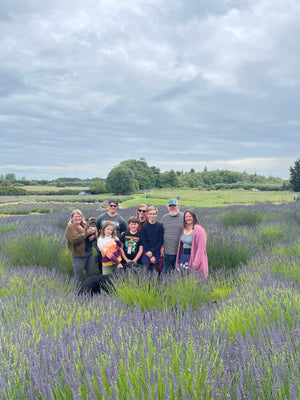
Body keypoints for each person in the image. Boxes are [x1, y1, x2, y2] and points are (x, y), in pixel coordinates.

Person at [96, 199, 127, 273]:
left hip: (116, 250)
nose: (112, 207)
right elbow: (96, 229)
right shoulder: (101, 217)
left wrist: (118, 241)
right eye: (111, 205)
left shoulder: (121, 219)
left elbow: (124, 231)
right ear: (108, 206)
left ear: (117, 207)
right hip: (105, 250)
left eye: (114, 206)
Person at [175, 209, 208, 278]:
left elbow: (201, 248)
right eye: (186, 217)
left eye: (190, 216)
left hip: (192, 257)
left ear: (193, 217)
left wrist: (196, 263)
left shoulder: (199, 230)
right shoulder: (184, 229)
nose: (188, 218)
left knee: (193, 279)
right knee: (182, 278)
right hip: (183, 257)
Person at [65, 209, 97, 280]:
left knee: (91, 274)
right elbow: (75, 240)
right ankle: (76, 290)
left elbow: (86, 237)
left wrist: (93, 237)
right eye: (75, 217)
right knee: (78, 276)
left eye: (79, 216)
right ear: (72, 218)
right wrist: (87, 233)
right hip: (79, 255)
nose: (78, 218)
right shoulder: (70, 227)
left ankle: (89, 290)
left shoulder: (84, 225)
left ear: (82, 217)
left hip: (89, 252)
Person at [161, 198, 184, 274]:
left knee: (178, 274)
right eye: (170, 206)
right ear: (168, 207)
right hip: (166, 252)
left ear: (178, 206)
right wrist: (162, 246)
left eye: (174, 206)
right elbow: (161, 233)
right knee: (164, 273)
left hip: (179, 252)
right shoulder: (164, 218)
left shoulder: (184, 217)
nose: (172, 208)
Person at [141, 206, 163, 272]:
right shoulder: (144, 226)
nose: (152, 216)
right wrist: (148, 252)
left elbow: (160, 240)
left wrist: (152, 252)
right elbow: (143, 240)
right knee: (145, 272)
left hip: (156, 251)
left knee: (155, 272)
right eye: (150, 214)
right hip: (146, 251)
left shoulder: (160, 226)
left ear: (156, 214)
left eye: (153, 214)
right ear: (147, 214)